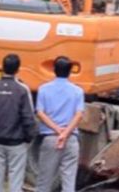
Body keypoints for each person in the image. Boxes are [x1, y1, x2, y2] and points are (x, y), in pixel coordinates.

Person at [0, 54, 37, 192]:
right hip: (17, 142)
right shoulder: (23, 90)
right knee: (16, 177)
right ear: (18, 69)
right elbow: (28, 118)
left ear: (2, 67)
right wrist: (29, 137)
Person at [36, 56, 85, 192]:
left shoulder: (43, 89)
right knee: (69, 183)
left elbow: (40, 113)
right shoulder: (78, 91)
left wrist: (58, 130)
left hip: (51, 138)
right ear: (70, 71)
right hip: (71, 140)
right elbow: (79, 114)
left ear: (53, 70)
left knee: (44, 182)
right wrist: (65, 133)